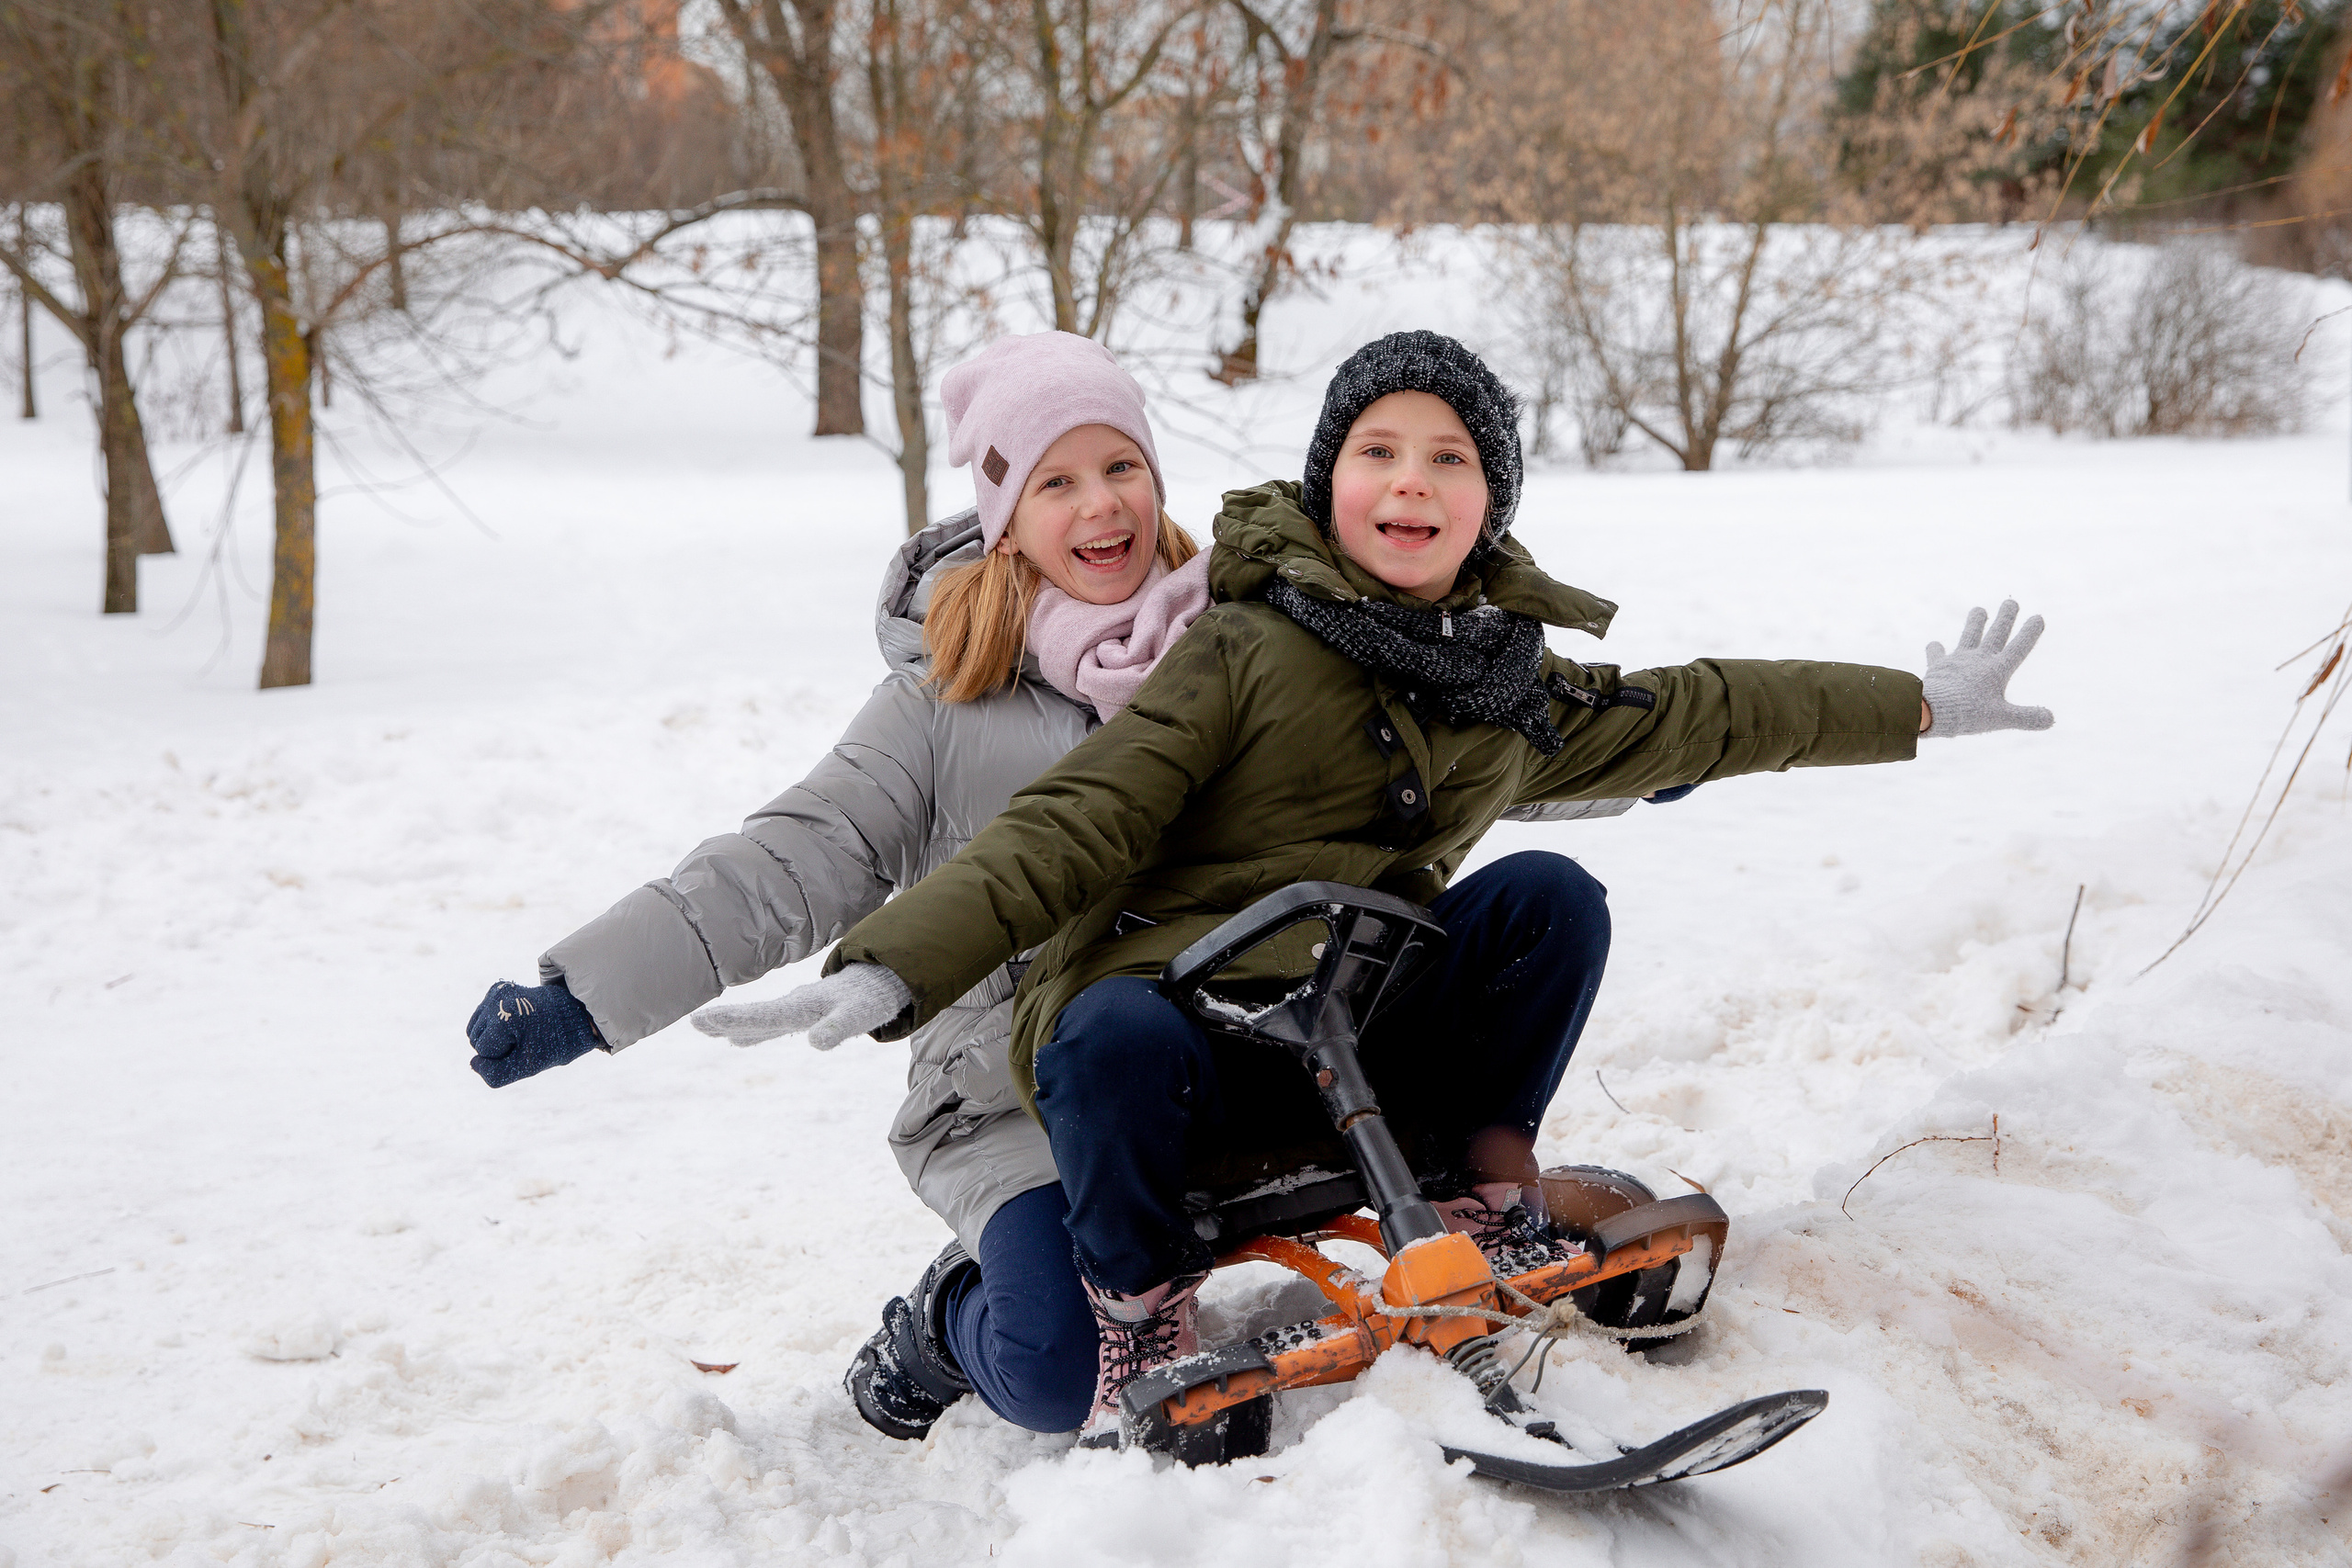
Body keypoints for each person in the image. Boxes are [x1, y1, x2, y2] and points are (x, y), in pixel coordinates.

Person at [691, 330, 2055, 1450]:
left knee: (1545, 895)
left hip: (1349, 1035)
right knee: (1101, 1036)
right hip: (1182, 1056)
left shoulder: (1501, 683)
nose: (1411, 482)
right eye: (1378, 452)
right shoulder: (1238, 645)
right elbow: (1071, 820)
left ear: (1490, 500)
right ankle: (1127, 1302)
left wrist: (1920, 703)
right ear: (1330, 479)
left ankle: (1479, 1183)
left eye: (1448, 458)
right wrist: (894, 960)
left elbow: (1699, 708)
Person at [460, 332, 1240, 1440]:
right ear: (1005, 515)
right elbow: (797, 857)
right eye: (1055, 481)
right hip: (1011, 1099)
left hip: (1212, 1061)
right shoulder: (942, 706)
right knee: (1060, 1373)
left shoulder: (1231, 645)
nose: (1099, 506)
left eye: (1120, 467)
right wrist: (583, 995)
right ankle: (941, 1324)